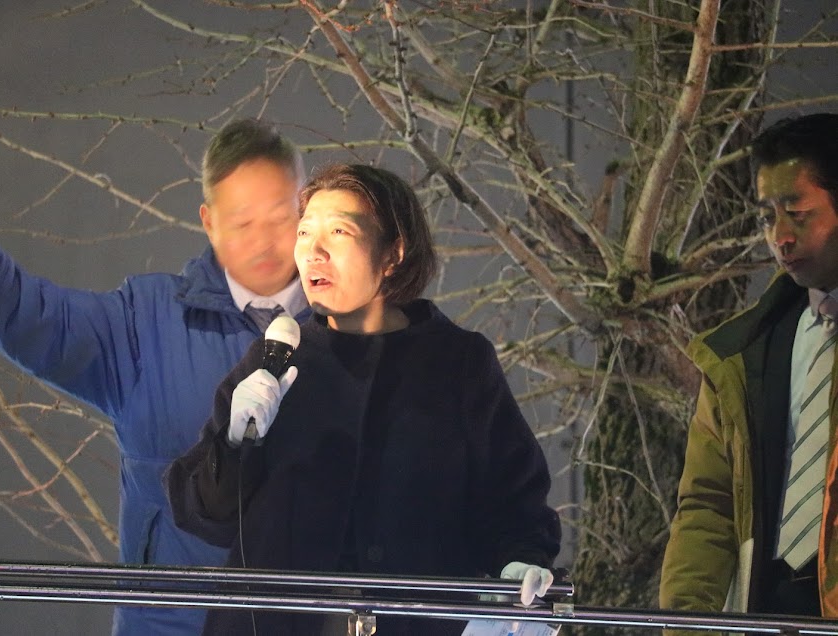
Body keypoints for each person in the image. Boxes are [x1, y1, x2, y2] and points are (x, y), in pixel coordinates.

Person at [0, 118, 311, 635]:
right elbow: (24, 313)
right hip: (170, 626)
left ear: (305, 209)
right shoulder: (145, 324)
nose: (263, 242)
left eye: (279, 218)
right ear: (209, 221)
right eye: (242, 222)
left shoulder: (347, 326)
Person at [166, 163, 562, 635]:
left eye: (338, 232)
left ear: (393, 253)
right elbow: (201, 514)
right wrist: (233, 442)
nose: (313, 250)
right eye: (304, 232)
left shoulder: (458, 363)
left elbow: (514, 501)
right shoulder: (276, 357)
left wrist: (520, 563)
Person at [660, 113, 838, 628]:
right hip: (767, 611)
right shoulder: (744, 353)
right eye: (766, 218)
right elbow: (708, 506)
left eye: (798, 213)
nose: (780, 236)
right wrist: (686, 626)